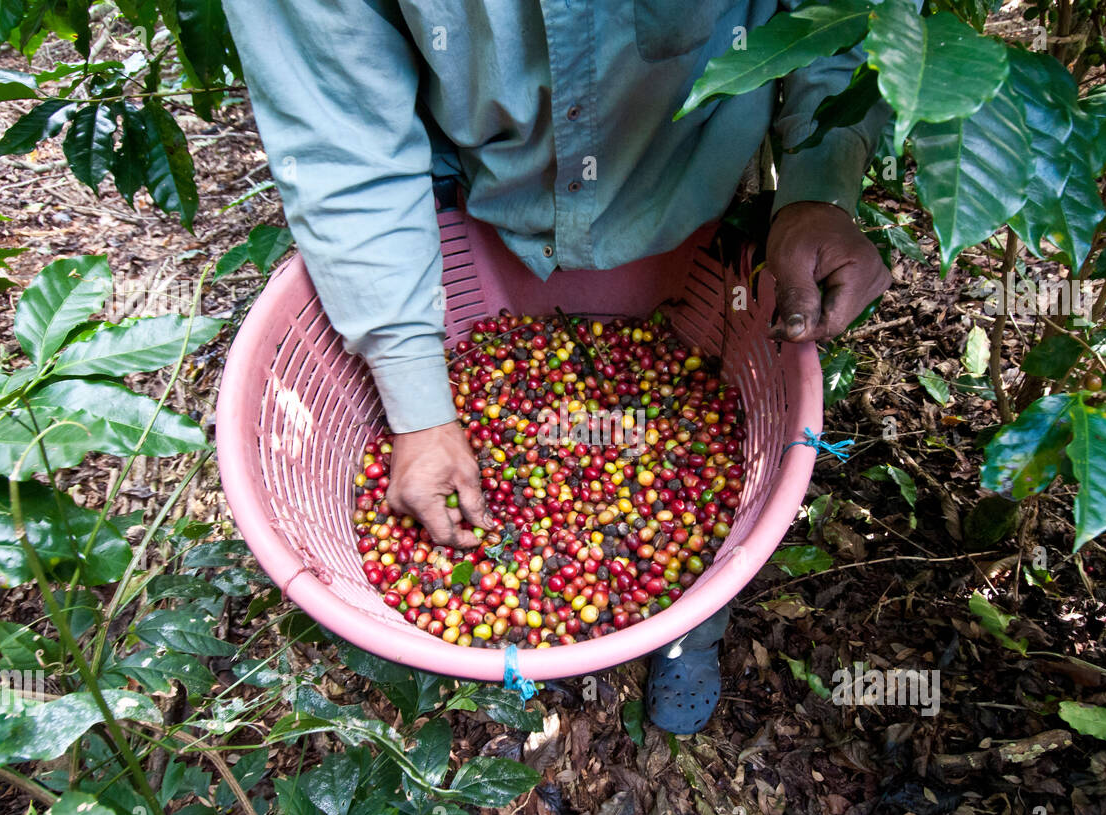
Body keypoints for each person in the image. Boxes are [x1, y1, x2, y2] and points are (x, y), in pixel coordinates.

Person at [223, 0, 892, 733]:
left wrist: (819, 191)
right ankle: (632, 622)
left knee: (711, 527)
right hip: (471, 197)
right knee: (678, 491)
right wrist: (419, 406)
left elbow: (841, 22)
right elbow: (336, 129)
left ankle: (687, 624)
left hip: (700, 183)